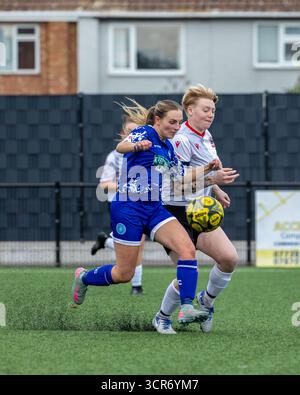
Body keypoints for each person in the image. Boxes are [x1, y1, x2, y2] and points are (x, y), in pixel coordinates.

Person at [71, 99, 230, 330]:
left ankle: (186, 308)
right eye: (172, 122)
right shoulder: (145, 132)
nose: (177, 127)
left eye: (179, 123)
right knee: (124, 273)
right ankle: (84, 278)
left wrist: (207, 169)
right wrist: (136, 146)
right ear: (157, 120)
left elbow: (181, 176)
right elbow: (121, 147)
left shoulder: (168, 148)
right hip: (128, 208)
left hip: (154, 208)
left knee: (186, 248)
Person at [154, 84, 240, 334]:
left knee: (229, 259)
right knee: (187, 270)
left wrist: (216, 190)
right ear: (189, 110)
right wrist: (214, 181)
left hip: (199, 211)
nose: (211, 114)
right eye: (205, 109)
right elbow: (177, 185)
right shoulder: (181, 139)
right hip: (174, 212)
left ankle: (206, 303)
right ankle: (162, 317)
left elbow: (206, 170)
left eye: (213, 110)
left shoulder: (207, 136)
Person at [91, 114, 145, 295]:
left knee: (139, 243)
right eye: (130, 131)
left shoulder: (145, 153)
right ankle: (136, 286)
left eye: (137, 131)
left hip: (141, 203)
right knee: (135, 243)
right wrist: (126, 187)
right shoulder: (115, 156)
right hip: (119, 204)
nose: (133, 134)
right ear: (123, 133)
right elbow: (104, 183)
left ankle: (137, 286)